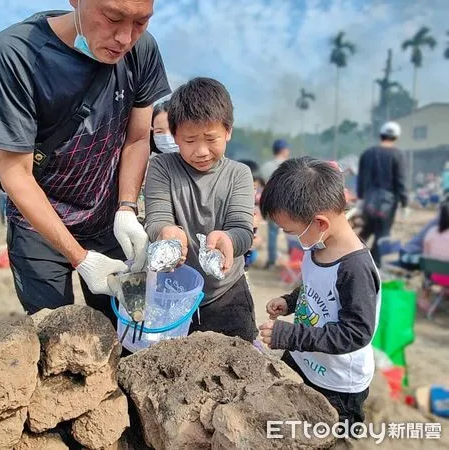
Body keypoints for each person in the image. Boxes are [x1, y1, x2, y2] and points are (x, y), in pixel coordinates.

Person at [0, 1, 170, 319]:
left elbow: (138, 138)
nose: (125, 38)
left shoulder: (143, 50)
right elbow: (15, 170)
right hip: (38, 223)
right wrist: (79, 258)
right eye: (112, 17)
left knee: (130, 327)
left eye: (141, 22)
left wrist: (127, 208)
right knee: (56, 333)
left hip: (108, 219)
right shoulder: (16, 53)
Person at [258, 157, 380, 430]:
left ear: (320, 223)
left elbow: (356, 333)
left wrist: (289, 335)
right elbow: (315, 287)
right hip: (304, 358)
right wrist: (290, 301)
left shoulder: (355, 269)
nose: (288, 235)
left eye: (289, 230)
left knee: (326, 435)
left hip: (337, 385)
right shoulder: (316, 245)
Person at [145, 77, 256, 340]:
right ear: (175, 136)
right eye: (190, 140)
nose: (202, 151)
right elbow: (157, 219)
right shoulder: (162, 168)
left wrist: (229, 239)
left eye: (210, 138)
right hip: (174, 294)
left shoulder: (239, 174)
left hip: (227, 295)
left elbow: (242, 229)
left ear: (228, 131)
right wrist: (167, 232)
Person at [357, 121, 408, 267]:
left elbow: (362, 178)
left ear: (381, 135)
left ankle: (350, 254)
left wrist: (361, 199)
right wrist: (404, 203)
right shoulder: (398, 155)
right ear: (396, 137)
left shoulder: (368, 154)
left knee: (367, 229)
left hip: (369, 202)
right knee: (382, 234)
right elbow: (400, 181)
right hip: (387, 204)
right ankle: (374, 265)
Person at [261, 139, 291, 269]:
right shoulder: (290, 166)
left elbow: (262, 185)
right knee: (291, 233)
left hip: (272, 204)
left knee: (272, 234)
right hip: (288, 204)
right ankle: (293, 260)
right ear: (284, 150)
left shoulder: (266, 167)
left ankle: (271, 261)